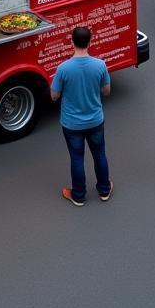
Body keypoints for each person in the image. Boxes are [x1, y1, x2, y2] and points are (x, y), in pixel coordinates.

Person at [51, 25, 112, 206]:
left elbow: (54, 96)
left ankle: (78, 195)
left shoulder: (63, 68)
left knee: (77, 158)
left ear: (72, 41)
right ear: (90, 41)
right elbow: (107, 91)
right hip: (95, 120)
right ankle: (104, 190)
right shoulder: (100, 65)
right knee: (99, 154)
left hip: (72, 124)